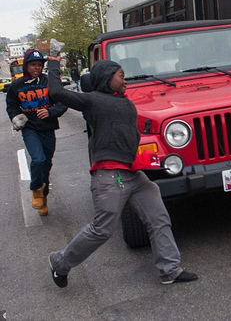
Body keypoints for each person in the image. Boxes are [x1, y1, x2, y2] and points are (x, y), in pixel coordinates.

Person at [46, 55, 198, 287]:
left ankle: (170, 270)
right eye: (121, 76)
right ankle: (60, 262)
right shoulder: (92, 101)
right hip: (109, 175)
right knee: (102, 229)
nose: (125, 80)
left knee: (158, 218)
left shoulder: (126, 102)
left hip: (134, 174)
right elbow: (56, 92)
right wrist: (54, 63)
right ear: (107, 78)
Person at [5, 49, 67, 216]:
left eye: (40, 65)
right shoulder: (16, 86)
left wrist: (51, 112)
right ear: (26, 66)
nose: (37, 68)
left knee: (46, 165)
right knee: (38, 159)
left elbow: (62, 102)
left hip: (47, 128)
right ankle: (35, 191)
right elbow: (11, 105)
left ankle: (43, 196)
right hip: (30, 129)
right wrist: (15, 118)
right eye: (33, 65)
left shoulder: (49, 82)